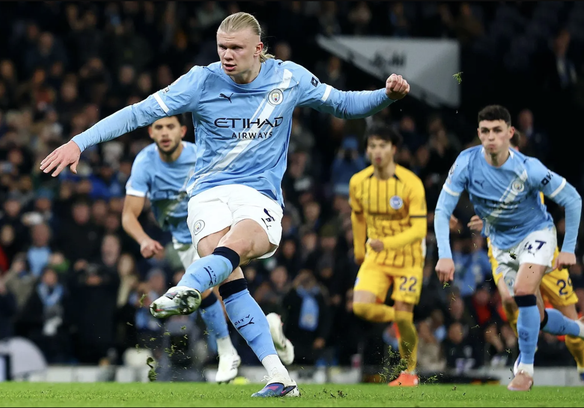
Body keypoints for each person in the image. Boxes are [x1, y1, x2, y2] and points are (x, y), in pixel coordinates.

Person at [40, 12, 409, 397]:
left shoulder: (289, 78)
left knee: (236, 245)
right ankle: (280, 377)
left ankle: (186, 287)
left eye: (236, 48)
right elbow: (139, 113)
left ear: (259, 49)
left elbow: (345, 105)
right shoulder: (201, 80)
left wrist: (386, 95)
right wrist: (79, 142)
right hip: (207, 194)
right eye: (222, 47)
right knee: (228, 280)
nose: (227, 55)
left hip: (258, 194)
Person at [122, 114, 294, 383]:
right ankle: (268, 333)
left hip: (217, 226)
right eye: (159, 127)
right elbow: (128, 215)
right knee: (225, 295)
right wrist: (143, 239)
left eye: (170, 127)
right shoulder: (145, 162)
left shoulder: (201, 155)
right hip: (183, 238)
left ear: (182, 131)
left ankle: (227, 351)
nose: (165, 132)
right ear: (151, 132)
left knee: (214, 291)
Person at [434, 105, 584, 391]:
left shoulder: (529, 168)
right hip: (503, 246)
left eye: (497, 130)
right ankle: (578, 328)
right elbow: (442, 210)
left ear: (510, 133)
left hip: (536, 235)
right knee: (535, 313)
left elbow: (573, 199)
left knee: (523, 292)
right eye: (485, 131)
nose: (491, 137)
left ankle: (525, 369)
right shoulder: (466, 162)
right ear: (478, 133)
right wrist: (444, 254)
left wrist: (568, 248)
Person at [348, 125, 427, 387]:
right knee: (361, 307)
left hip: (408, 257)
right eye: (372, 146)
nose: (377, 151)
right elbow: (357, 216)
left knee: (405, 314)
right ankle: (399, 318)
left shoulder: (410, 183)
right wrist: (359, 249)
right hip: (376, 257)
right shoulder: (358, 182)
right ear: (367, 150)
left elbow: (419, 229)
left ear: (394, 149)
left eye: (382, 145)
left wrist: (388, 243)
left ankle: (409, 374)